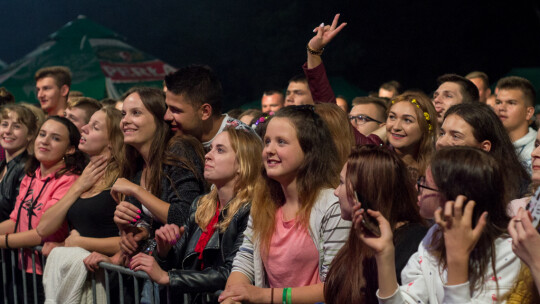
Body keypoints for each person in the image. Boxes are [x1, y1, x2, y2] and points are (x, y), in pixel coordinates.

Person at [218, 106, 350, 304]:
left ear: (309, 150)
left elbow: (335, 287)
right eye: (267, 141)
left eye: (281, 142)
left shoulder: (332, 207)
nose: (269, 149)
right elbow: (245, 258)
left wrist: (264, 296)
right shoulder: (264, 202)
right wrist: (233, 295)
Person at [356, 147, 520, 303]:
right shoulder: (436, 234)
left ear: (452, 199)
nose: (417, 187)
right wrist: (384, 253)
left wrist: (457, 261)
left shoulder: (508, 251)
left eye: (424, 183)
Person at [129, 127, 262, 303]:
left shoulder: (250, 209)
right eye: (211, 148)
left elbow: (233, 273)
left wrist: (169, 278)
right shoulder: (201, 204)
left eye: (220, 150)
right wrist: (164, 250)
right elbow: (176, 262)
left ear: (243, 163)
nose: (208, 155)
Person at [37, 107, 124, 302]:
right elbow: (43, 228)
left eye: (95, 127)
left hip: (113, 284)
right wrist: (78, 186)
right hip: (85, 279)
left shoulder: (122, 180)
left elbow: (130, 242)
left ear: (112, 141)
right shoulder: (83, 176)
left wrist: (78, 243)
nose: (83, 128)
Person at [326, 146, 427, 304]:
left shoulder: (413, 245)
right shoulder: (363, 234)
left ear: (364, 192)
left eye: (341, 183)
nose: (336, 192)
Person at [0, 116, 85, 302]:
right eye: (42, 134)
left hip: (50, 271)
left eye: (55, 138)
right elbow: (15, 221)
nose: (45, 141)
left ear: (70, 149)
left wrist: (2, 241)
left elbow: (41, 233)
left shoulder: (69, 180)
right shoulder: (32, 174)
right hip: (22, 267)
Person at [436, 102, 530, 205]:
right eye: (442, 133)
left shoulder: (515, 194)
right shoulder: (433, 177)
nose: (440, 142)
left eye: (456, 136)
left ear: (484, 147)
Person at [163, 65, 253, 150]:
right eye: (167, 107)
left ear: (205, 112)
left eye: (175, 110)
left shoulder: (242, 141)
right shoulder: (172, 136)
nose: (166, 117)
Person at [0, 105, 39, 222]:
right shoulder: (2, 165)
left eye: (16, 126)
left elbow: (18, 219)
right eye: (4, 124)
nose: (7, 131)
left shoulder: (28, 168)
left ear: (30, 135)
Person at [494, 76, 536, 173]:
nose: (501, 108)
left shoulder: (536, 149)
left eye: (511, 103)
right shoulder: (488, 143)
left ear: (528, 112)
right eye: (498, 102)